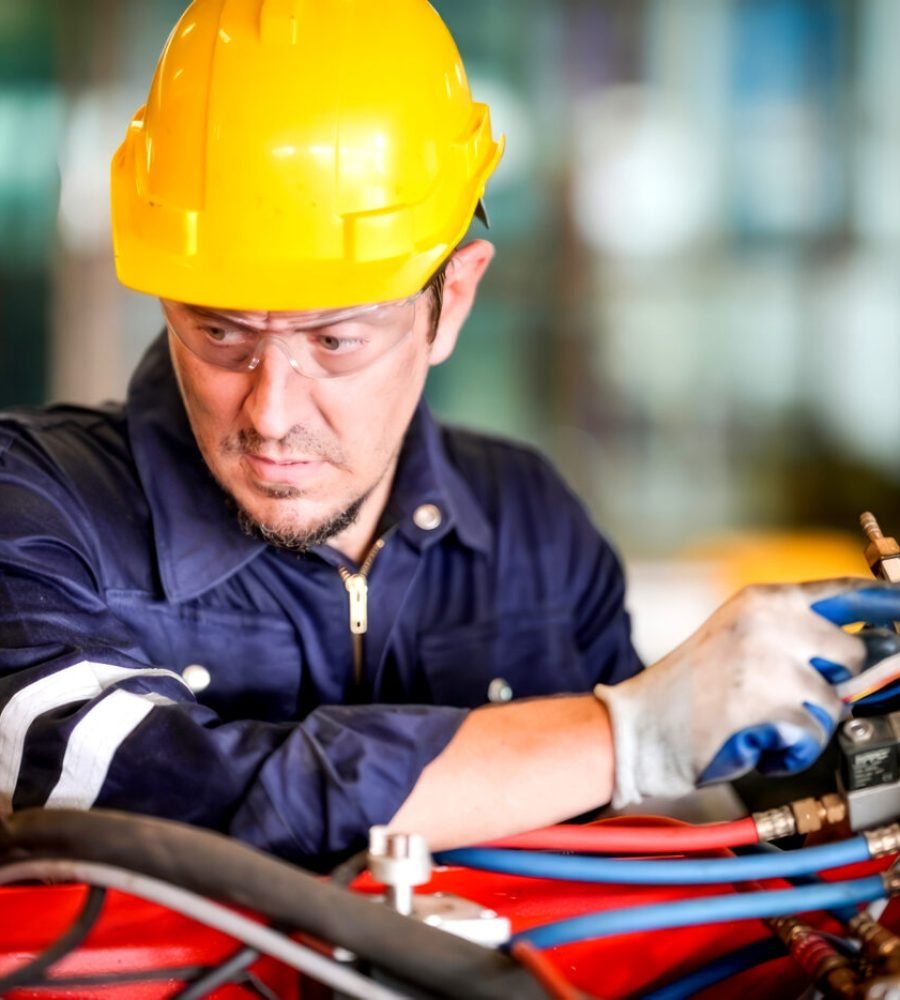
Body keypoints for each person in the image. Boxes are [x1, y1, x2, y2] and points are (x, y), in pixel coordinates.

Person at [0, 0, 888, 871]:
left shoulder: (530, 526)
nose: (270, 412)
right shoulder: (38, 511)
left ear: (451, 299)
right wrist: (629, 734)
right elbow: (124, 798)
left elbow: (669, 852)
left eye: (335, 340)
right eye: (219, 332)